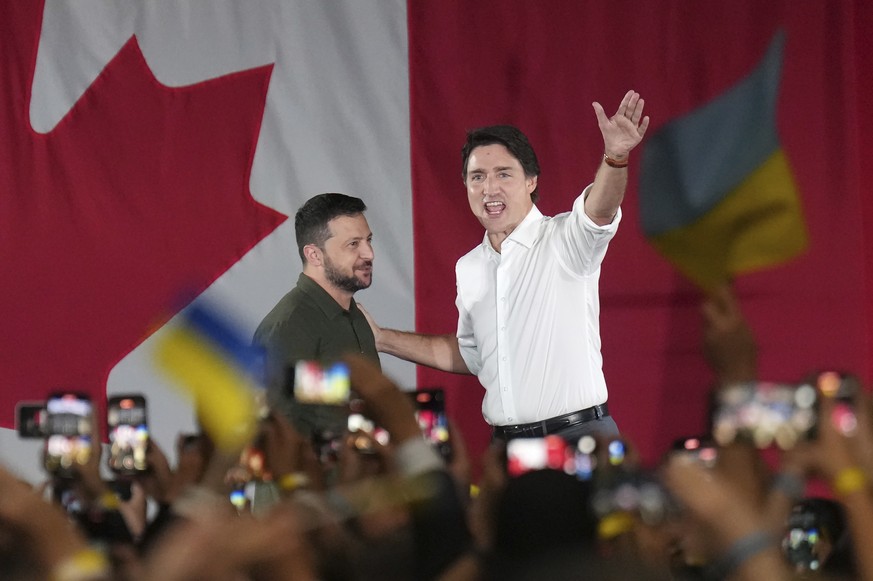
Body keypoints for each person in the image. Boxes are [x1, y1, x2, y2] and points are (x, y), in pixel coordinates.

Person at [361, 90, 649, 442]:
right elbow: (472, 355)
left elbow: (600, 209)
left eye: (503, 174)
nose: (489, 188)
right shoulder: (468, 267)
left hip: (580, 438)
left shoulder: (565, 239)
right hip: (507, 445)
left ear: (531, 181)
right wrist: (382, 339)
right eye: (477, 176)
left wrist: (615, 157)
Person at [253, 193, 378, 438]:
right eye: (353, 244)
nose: (369, 253)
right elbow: (275, 432)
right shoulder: (289, 326)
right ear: (314, 255)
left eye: (368, 240)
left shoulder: (357, 318)